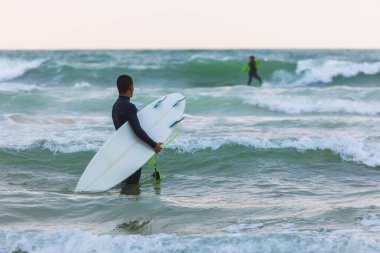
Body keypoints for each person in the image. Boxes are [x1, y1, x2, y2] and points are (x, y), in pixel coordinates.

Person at [112, 75, 163, 191]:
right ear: (131, 87)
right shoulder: (129, 107)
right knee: (132, 187)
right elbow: (137, 130)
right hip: (132, 152)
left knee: (126, 185)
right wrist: (154, 145)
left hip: (123, 151)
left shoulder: (115, 106)